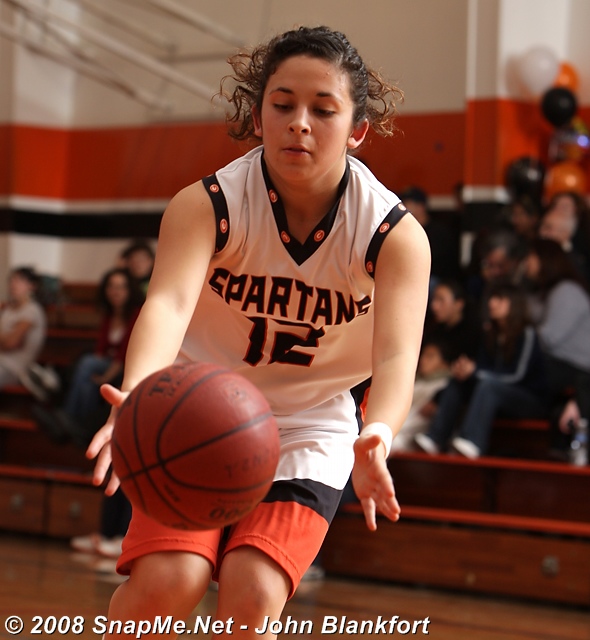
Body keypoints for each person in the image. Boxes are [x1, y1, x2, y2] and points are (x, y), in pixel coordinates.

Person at [86, 26, 430, 636]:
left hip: (309, 424)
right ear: (257, 115)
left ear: (357, 130)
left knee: (254, 592)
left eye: (323, 110)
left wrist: (378, 433)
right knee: (171, 581)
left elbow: (399, 356)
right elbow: (166, 305)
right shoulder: (208, 205)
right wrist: (135, 396)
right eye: (283, 104)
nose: (300, 123)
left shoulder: (393, 235)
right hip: (198, 407)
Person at [415, 282, 549, 458]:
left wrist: (476, 373)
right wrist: (466, 371)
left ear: (514, 303)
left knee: (487, 386)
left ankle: (472, 441)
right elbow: (482, 367)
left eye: (499, 299)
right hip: (494, 394)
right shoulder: (490, 333)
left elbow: (518, 375)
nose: (492, 303)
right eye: (492, 298)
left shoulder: (527, 333)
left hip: (527, 398)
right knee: (458, 382)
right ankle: (436, 438)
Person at [33, 267, 143, 446]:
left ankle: (66, 417)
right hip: (108, 363)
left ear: (130, 290)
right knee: (87, 381)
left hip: (127, 368)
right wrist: (98, 375)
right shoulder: (110, 314)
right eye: (111, 286)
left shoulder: (136, 314)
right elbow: (101, 348)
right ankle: (75, 427)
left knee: (87, 364)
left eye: (121, 287)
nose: (115, 291)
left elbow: (123, 355)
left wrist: (104, 377)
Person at [525, 238, 590, 461]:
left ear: (545, 259)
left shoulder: (567, 290)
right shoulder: (543, 292)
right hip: (560, 366)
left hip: (579, 369)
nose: (526, 263)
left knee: (527, 367)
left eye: (531, 257)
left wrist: (518, 337)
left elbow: (548, 338)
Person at [400, 186, 460, 293]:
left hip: (436, 278)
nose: (404, 208)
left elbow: (443, 264)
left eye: (408, 203)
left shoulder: (438, 232)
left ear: (421, 207)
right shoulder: (405, 231)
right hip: (412, 276)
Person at [0, 267, 47, 392]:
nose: (13, 284)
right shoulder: (8, 309)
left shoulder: (32, 311)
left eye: (19, 280)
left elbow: (11, 343)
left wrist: (6, 340)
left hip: (13, 368)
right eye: (11, 280)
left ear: (32, 286)